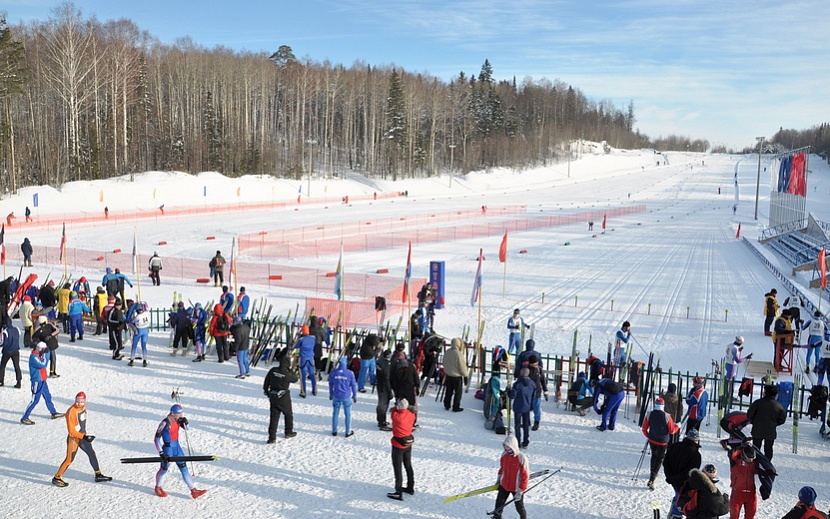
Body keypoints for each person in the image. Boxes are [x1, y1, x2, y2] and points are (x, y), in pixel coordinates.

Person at [52, 392, 112, 487]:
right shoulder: (71, 412)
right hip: (74, 439)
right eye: (77, 401)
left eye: (81, 401)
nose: (79, 403)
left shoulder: (84, 408)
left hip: (82, 436)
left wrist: (84, 435)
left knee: (91, 453)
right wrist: (84, 437)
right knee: (69, 459)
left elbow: (81, 424)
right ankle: (57, 478)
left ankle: (98, 474)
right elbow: (71, 431)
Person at [153, 404, 207, 499]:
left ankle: (193, 490)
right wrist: (161, 453)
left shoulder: (178, 420)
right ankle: (158, 487)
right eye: (179, 415)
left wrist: (185, 422)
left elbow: (187, 428)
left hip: (177, 448)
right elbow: (156, 439)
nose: (180, 416)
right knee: (164, 469)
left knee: (184, 468)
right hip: (168, 449)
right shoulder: (165, 423)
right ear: (173, 414)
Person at [20, 342, 63, 424]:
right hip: (37, 381)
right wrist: (47, 354)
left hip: (43, 379)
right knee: (35, 400)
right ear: (39, 348)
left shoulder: (39, 355)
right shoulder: (33, 357)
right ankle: (25, 417)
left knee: (48, 396)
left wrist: (45, 353)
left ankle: (53, 412)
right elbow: (43, 364)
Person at [642, 397, 680, 490]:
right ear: (663, 406)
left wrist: (648, 435)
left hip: (652, 440)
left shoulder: (649, 414)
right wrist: (678, 426)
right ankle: (652, 478)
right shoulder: (667, 416)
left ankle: (652, 473)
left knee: (653, 456)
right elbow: (671, 431)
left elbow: (644, 428)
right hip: (662, 442)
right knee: (659, 459)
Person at [663, 429, 702, 519]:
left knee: (678, 496)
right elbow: (691, 473)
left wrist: (669, 477)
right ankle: (675, 515)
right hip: (683, 483)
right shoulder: (695, 454)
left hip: (672, 479)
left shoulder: (674, 446)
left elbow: (666, 463)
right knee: (681, 498)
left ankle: (673, 513)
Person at [263, 348, 298, 442]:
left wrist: (266, 391)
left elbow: (266, 381)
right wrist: (290, 370)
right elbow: (295, 379)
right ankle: (288, 431)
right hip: (283, 396)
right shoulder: (287, 374)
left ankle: (271, 437)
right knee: (288, 414)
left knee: (274, 417)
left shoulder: (273, 370)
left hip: (273, 396)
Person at [492, 434, 529, 519]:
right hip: (504, 485)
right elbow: (502, 469)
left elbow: (525, 476)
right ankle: (496, 517)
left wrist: (520, 491)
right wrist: (498, 480)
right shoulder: (504, 455)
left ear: (513, 446)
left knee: (519, 506)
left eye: (507, 446)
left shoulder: (521, 458)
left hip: (516, 487)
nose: (505, 448)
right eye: (505, 445)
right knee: (499, 504)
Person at [387, 398, 417, 501]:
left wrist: (396, 406)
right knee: (408, 465)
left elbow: (393, 410)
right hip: (408, 444)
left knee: (397, 468)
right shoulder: (411, 415)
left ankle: (398, 492)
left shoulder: (396, 416)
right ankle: (410, 487)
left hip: (397, 445)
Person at [746, 384, 786, 461]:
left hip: (757, 429)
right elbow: (782, 419)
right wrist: (774, 423)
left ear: (765, 392)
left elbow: (750, 415)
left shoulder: (758, 403)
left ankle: (756, 464)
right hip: (770, 430)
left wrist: (754, 422)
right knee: (768, 449)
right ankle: (767, 465)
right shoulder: (778, 406)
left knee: (756, 448)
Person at [329, 356, 357, 437]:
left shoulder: (334, 372)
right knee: (348, 414)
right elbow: (353, 385)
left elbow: (331, 384)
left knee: (335, 414)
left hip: (336, 395)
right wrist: (354, 395)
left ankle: (334, 431)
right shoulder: (350, 373)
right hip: (346, 396)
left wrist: (331, 393)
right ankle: (347, 431)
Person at [728, 443, 758, 519]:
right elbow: (731, 453)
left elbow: (765, 464)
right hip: (737, 492)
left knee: (750, 516)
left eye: (752, 459)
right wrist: (742, 447)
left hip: (751, 493)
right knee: (734, 516)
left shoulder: (754, 463)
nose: (750, 460)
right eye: (749, 459)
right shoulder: (736, 461)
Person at [509, 368, 536, 448]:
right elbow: (534, 395)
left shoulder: (517, 384)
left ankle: (517, 441)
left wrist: (509, 392)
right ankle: (525, 441)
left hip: (518, 406)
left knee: (517, 425)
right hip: (527, 406)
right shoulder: (532, 384)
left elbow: (512, 396)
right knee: (525, 424)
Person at [443, 337, 469, 412]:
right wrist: (465, 375)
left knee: (449, 391)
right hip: (457, 377)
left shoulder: (447, 351)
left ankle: (447, 404)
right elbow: (462, 366)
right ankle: (456, 407)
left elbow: (444, 362)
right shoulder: (458, 354)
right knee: (458, 393)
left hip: (448, 375)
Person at [292, 325, 316, 397]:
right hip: (311, 358)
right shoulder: (313, 338)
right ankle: (314, 390)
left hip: (303, 358)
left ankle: (303, 392)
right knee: (312, 375)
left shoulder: (301, 340)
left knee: (303, 376)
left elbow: (295, 346)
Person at [526, 355, 548, 430]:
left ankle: (536, 422)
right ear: (530, 363)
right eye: (534, 364)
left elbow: (543, 381)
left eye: (537, 363)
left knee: (537, 408)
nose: (536, 365)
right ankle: (527, 421)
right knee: (526, 408)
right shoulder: (527, 370)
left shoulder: (539, 369)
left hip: (537, 392)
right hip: (528, 392)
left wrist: (545, 391)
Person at [1, 317, 22, 388]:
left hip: (7, 351)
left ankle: (1, 381)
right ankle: (19, 381)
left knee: (2, 366)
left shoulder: (5, 331)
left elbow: (3, 342)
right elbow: (18, 337)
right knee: (17, 366)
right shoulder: (17, 329)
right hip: (16, 350)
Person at [375, 349, 394, 430]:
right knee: (383, 405)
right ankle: (382, 422)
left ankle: (380, 419)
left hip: (379, 385)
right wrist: (390, 391)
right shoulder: (386, 364)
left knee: (380, 403)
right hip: (384, 387)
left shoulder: (379, 361)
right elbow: (386, 378)